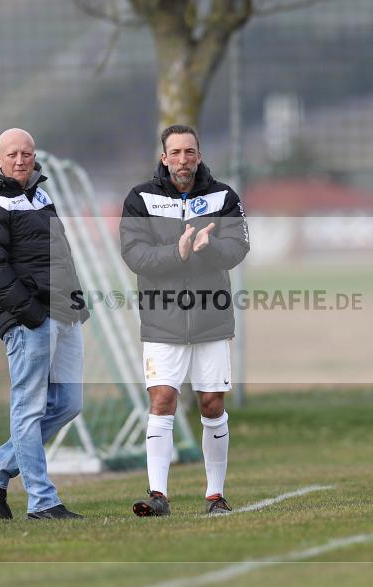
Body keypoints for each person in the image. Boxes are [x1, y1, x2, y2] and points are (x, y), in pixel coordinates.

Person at [120, 124, 250, 517]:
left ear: (199, 154)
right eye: (174, 152)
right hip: (162, 319)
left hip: (211, 318)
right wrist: (175, 254)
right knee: (162, 400)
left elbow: (239, 247)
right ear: (163, 157)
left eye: (189, 152)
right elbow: (135, 255)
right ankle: (158, 495)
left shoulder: (223, 196)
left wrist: (209, 249)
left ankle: (215, 496)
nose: (182, 160)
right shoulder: (140, 198)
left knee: (211, 404)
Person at [0, 128, 90, 520]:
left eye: (27, 153)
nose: (21, 160)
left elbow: (59, 253)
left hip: (63, 313)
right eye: (13, 154)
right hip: (28, 318)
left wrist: (75, 300)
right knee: (29, 408)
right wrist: (30, 314)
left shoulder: (41, 193)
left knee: (69, 403)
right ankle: (42, 502)